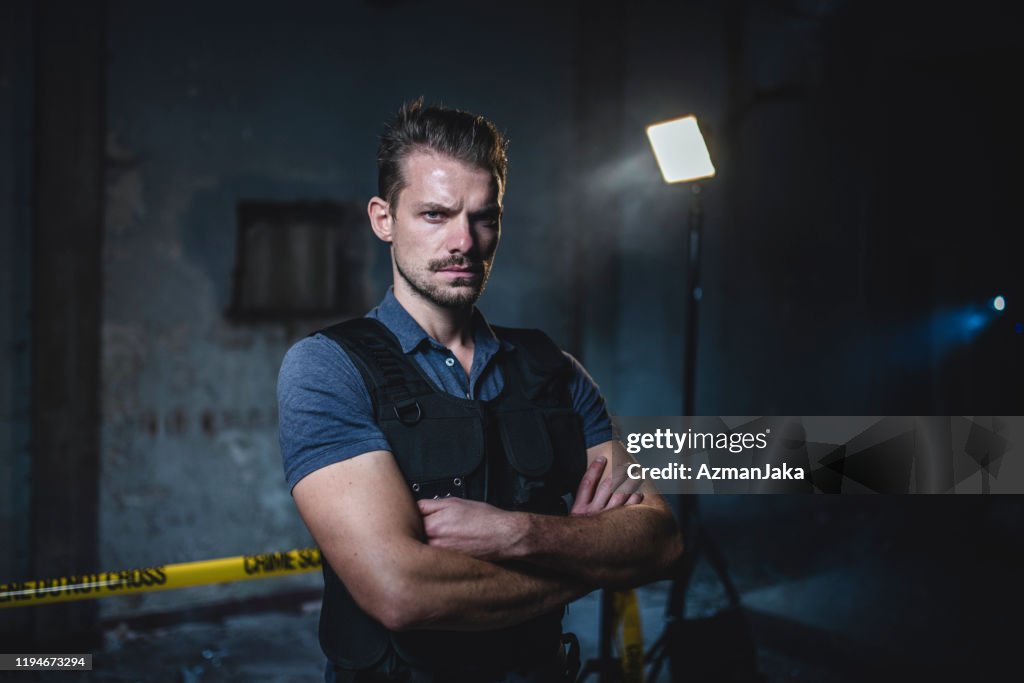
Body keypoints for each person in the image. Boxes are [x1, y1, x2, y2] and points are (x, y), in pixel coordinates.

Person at [277, 99, 683, 683]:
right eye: (435, 215)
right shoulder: (328, 368)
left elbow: (660, 541)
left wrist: (515, 533)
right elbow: (401, 593)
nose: (464, 242)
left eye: (483, 217)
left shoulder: (555, 371)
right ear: (383, 219)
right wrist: (591, 558)